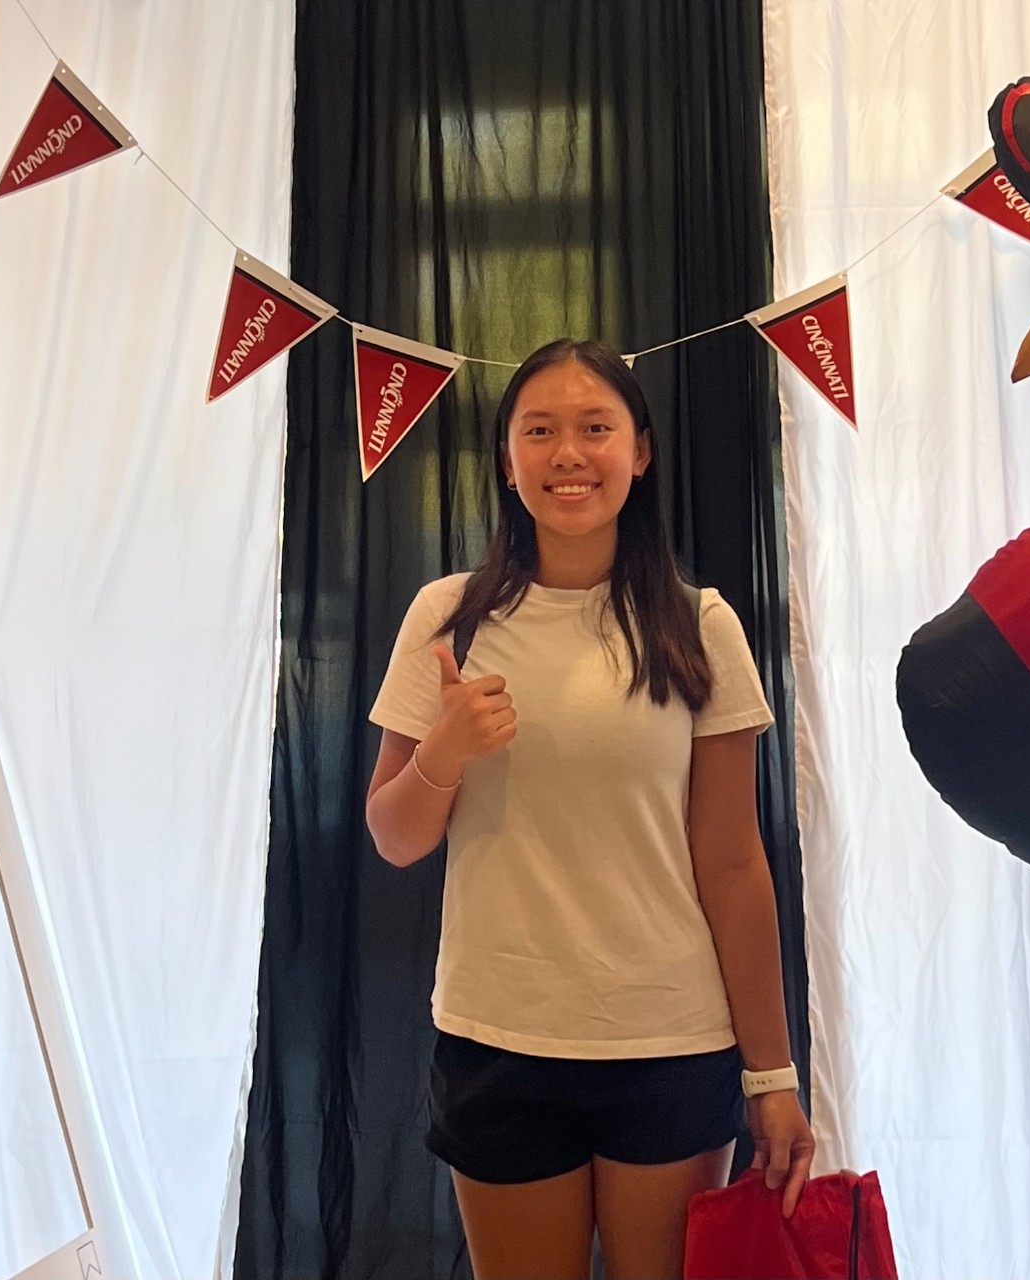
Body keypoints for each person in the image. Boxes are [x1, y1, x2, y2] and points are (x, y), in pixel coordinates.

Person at [365, 338, 813, 1280]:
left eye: (595, 428)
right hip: (499, 1037)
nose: (568, 453)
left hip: (671, 1040)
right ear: (508, 460)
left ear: (640, 453)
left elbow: (733, 865)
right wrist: (442, 754)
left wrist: (772, 1077)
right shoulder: (447, 619)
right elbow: (395, 837)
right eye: (540, 431)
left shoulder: (700, 627)